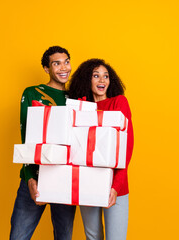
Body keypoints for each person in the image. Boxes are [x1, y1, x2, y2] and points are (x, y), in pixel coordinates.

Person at [10, 46, 76, 240]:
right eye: (56, 63)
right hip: (35, 177)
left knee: (64, 237)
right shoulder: (33, 93)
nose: (63, 67)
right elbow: (27, 135)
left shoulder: (75, 97)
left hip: (64, 179)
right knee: (18, 236)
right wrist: (30, 177)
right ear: (47, 69)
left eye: (66, 61)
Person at [68, 58, 134, 240]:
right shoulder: (81, 108)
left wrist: (115, 186)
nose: (102, 81)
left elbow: (126, 148)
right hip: (87, 182)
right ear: (86, 80)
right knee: (92, 236)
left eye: (105, 76)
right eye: (96, 76)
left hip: (116, 185)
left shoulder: (119, 103)